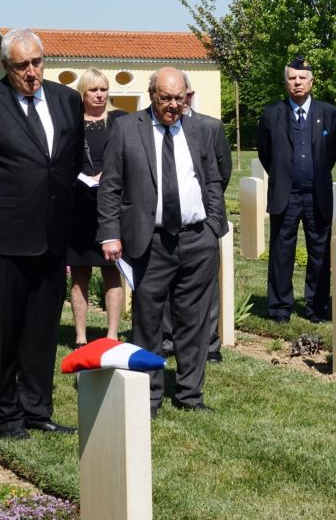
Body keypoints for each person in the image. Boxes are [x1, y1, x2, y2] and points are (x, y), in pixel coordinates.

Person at [0, 28, 83, 440]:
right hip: (1, 239)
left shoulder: (66, 100)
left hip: (50, 235)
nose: (31, 72)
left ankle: (37, 408)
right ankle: (4, 413)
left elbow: (69, 159)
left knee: (42, 330)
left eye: (37, 62)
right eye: (22, 65)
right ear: (6, 67)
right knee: (5, 331)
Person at [98, 67, 227, 414]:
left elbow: (214, 178)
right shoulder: (126, 129)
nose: (173, 105)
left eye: (179, 98)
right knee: (148, 321)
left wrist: (214, 225)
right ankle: (149, 395)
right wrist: (110, 233)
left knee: (194, 320)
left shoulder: (201, 129)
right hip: (150, 241)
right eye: (165, 98)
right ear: (152, 95)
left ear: (188, 95)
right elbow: (110, 186)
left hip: (197, 238)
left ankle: (189, 394)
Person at [257, 57, 336, 323]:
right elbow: (265, 153)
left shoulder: (328, 112)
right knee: (282, 252)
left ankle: (316, 307)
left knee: (319, 252)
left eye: (302, 78)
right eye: (292, 78)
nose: (297, 82)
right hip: (286, 194)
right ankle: (280, 307)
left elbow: (332, 152)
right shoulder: (271, 114)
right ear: (286, 82)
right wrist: (284, 175)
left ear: (311, 81)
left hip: (318, 194)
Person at [161, 72, 232, 364]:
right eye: (173, 96)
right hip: (166, 221)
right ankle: (168, 338)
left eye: (185, 95)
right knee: (166, 283)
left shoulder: (210, 126)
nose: (181, 101)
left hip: (201, 222)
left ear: (191, 95)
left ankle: (209, 343)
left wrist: (213, 220)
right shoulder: (157, 126)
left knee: (206, 288)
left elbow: (222, 171)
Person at [67, 68, 126, 348]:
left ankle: (112, 333)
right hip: (79, 206)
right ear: (83, 93)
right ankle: (80, 336)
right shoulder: (71, 123)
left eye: (103, 89)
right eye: (93, 90)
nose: (100, 94)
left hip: (112, 206)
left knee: (112, 271)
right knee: (79, 272)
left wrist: (110, 175)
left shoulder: (120, 121)